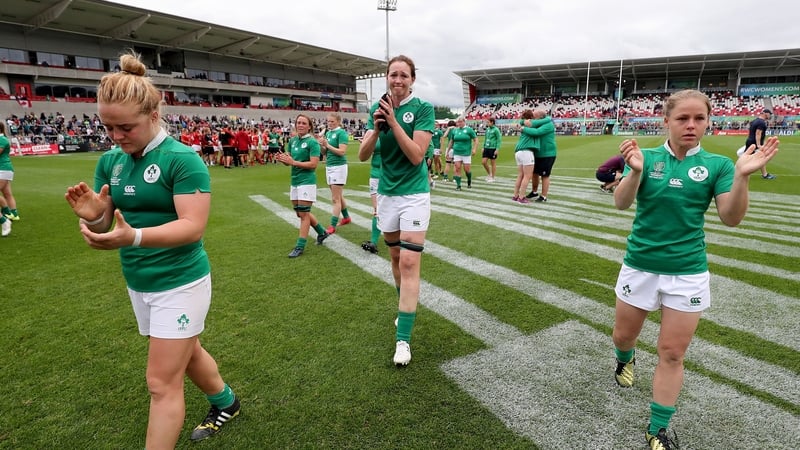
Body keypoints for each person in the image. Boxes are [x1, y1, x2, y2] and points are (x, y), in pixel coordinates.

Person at [63, 51, 241, 449]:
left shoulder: (182, 159)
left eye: (125, 127)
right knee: (187, 351)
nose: (116, 137)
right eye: (108, 127)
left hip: (181, 282)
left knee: (161, 383)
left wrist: (135, 237)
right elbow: (108, 223)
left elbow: (192, 227)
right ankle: (226, 402)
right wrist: (94, 217)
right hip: (139, 280)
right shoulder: (112, 160)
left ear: (154, 113)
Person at [611, 89, 779, 450]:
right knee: (623, 337)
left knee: (672, 352)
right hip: (640, 266)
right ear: (666, 121)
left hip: (687, 271)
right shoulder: (645, 157)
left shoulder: (717, 165)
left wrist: (742, 177)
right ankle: (625, 358)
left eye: (699, 119)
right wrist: (636, 172)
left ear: (708, 121)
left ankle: (657, 428)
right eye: (682, 118)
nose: (691, 125)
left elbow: (731, 218)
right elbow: (622, 203)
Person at [358, 55, 434, 366]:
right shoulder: (377, 109)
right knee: (394, 258)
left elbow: (417, 156)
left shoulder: (423, 109)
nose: (398, 80)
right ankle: (405, 305)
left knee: (408, 262)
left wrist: (393, 123)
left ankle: (403, 340)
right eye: (393, 75)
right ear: (387, 78)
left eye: (404, 75)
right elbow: (363, 155)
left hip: (414, 195)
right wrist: (377, 128)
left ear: (412, 80)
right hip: (386, 195)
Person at [276, 114, 330, 257]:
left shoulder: (312, 142)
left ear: (309, 126)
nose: (300, 125)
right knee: (300, 212)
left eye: (303, 123)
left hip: (307, 181)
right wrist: (283, 159)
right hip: (295, 180)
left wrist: (293, 162)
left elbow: (313, 164)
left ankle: (300, 246)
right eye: (298, 122)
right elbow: (290, 161)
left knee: (304, 214)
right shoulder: (292, 141)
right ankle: (322, 232)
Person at [320, 113, 352, 235]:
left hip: (339, 167)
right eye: (328, 121)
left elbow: (342, 152)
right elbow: (324, 152)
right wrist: (322, 145)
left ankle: (332, 226)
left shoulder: (341, 133)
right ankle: (346, 217)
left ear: (338, 121)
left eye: (332, 121)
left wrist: (328, 145)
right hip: (330, 166)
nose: (329, 123)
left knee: (335, 198)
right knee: (338, 196)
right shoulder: (328, 133)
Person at [522, 109, 557, 203]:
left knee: (545, 175)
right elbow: (524, 122)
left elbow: (537, 132)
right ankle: (534, 191)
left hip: (547, 153)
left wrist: (523, 128)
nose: (532, 118)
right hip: (537, 152)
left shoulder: (548, 124)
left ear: (540, 117)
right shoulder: (539, 122)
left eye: (534, 116)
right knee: (535, 174)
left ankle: (544, 196)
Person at [511, 110, 538, 204]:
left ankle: (515, 195)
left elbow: (516, 124)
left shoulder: (523, 125)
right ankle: (521, 197)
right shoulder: (532, 125)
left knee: (520, 175)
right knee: (527, 176)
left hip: (518, 151)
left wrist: (521, 122)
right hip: (527, 151)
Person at [360, 138, 382, 254]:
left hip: (392, 176)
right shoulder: (374, 132)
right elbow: (363, 156)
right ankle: (373, 241)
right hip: (375, 175)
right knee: (377, 209)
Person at [742, 108, 777, 179]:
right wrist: (758, 145)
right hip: (754, 143)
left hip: (750, 141)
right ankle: (737, 171)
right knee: (758, 158)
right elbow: (758, 133)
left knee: (755, 158)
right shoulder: (761, 122)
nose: (770, 116)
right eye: (769, 114)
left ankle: (765, 174)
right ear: (765, 113)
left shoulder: (755, 120)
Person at [446, 117, 478, 190]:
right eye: (458, 122)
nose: (459, 123)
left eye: (460, 122)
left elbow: (476, 140)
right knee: (457, 168)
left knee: (467, 170)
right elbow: (451, 141)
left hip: (466, 152)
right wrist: (448, 151)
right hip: (457, 152)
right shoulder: (455, 131)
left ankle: (469, 180)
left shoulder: (469, 130)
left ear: (464, 122)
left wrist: (474, 149)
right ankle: (458, 185)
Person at [0, 122, 16, 236]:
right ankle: (9, 213)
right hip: (3, 169)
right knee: (7, 193)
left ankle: (5, 219)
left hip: (3, 169)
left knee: (7, 194)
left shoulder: (3, 140)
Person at [481, 117, 502, 182]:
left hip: (493, 148)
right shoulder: (487, 129)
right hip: (486, 148)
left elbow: (499, 140)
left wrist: (497, 149)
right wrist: (483, 147)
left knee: (493, 163)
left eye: (488, 122)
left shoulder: (496, 130)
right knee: (483, 162)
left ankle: (492, 177)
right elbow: (485, 138)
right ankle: (489, 174)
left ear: (492, 122)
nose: (487, 123)